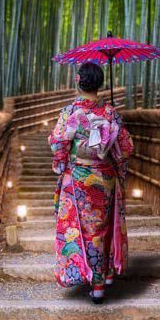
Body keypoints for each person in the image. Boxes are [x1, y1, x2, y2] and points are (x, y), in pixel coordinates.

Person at [48, 62, 133, 304]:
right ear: (101, 83)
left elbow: (57, 144)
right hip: (104, 177)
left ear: (77, 79)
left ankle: (89, 278)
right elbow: (126, 148)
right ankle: (102, 277)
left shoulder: (69, 113)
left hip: (77, 178)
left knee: (80, 228)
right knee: (102, 228)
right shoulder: (109, 113)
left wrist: (64, 159)